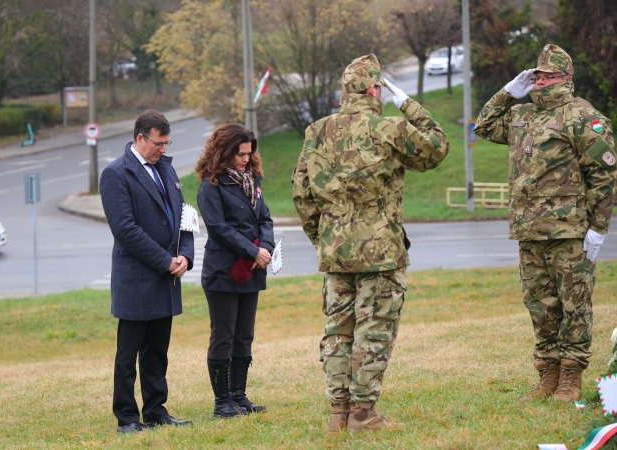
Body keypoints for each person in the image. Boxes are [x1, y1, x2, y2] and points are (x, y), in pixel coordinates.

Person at [292, 54, 450, 432]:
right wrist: (408, 104)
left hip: (335, 252)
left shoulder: (317, 131)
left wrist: (324, 238)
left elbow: (301, 195)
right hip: (381, 252)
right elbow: (437, 147)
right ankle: (363, 414)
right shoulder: (390, 127)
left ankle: (338, 414)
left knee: (338, 330)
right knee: (373, 330)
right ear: (376, 88)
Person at [474, 44, 617, 402]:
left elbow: (604, 175)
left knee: (574, 305)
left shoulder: (583, 116)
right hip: (528, 230)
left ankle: (571, 377)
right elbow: (484, 126)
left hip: (569, 231)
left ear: (565, 78)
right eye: (537, 75)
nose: (540, 81)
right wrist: (507, 93)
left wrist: (599, 227)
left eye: (548, 76)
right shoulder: (523, 115)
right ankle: (548, 374)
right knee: (541, 307)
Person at [99, 110, 195, 433]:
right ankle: (127, 417)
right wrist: (166, 261)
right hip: (137, 280)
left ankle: (156, 410)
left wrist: (185, 256)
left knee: (157, 352)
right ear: (140, 138)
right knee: (128, 356)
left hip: (166, 277)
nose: (163, 149)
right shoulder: (116, 174)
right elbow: (125, 229)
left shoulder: (166, 169)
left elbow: (185, 216)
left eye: (167, 143)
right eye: (158, 143)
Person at [195, 123, 275, 418]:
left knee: (244, 336)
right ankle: (222, 403)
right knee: (224, 336)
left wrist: (263, 249)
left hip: (252, 268)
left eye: (248, 154)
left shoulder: (252, 181)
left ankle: (239, 397)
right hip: (223, 271)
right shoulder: (211, 185)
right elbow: (218, 228)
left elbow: (265, 218)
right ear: (225, 152)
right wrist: (252, 250)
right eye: (240, 154)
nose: (245, 159)